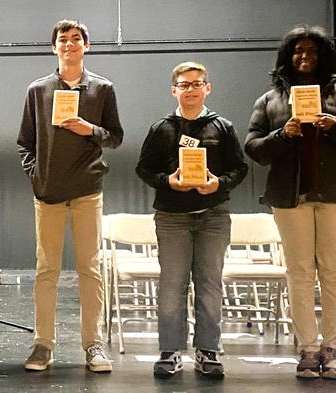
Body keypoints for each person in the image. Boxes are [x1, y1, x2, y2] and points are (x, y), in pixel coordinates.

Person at [244, 25, 336, 380]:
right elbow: (254, 149)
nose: (304, 57)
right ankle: (307, 349)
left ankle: (332, 347)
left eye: (312, 51)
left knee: (333, 272)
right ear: (287, 57)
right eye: (297, 51)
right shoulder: (270, 100)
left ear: (324, 57)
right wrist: (282, 134)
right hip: (290, 199)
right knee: (299, 273)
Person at [17, 19, 123, 373]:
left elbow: (115, 136)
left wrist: (88, 129)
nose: (70, 44)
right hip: (47, 193)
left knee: (89, 269)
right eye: (63, 40)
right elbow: (24, 143)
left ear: (86, 46)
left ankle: (93, 345)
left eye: (77, 39)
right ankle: (43, 344)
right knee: (46, 270)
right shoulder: (38, 90)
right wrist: (37, 174)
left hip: (87, 192)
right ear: (54, 47)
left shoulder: (102, 88)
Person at [136, 61, 248, 379]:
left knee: (210, 285)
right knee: (172, 286)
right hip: (172, 218)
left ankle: (207, 352)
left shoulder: (223, 127)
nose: (191, 89)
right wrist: (168, 181)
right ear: (174, 91)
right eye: (184, 85)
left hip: (214, 216)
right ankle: (170, 352)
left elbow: (239, 168)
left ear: (207, 88)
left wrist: (219, 184)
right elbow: (143, 169)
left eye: (196, 83)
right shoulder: (161, 129)